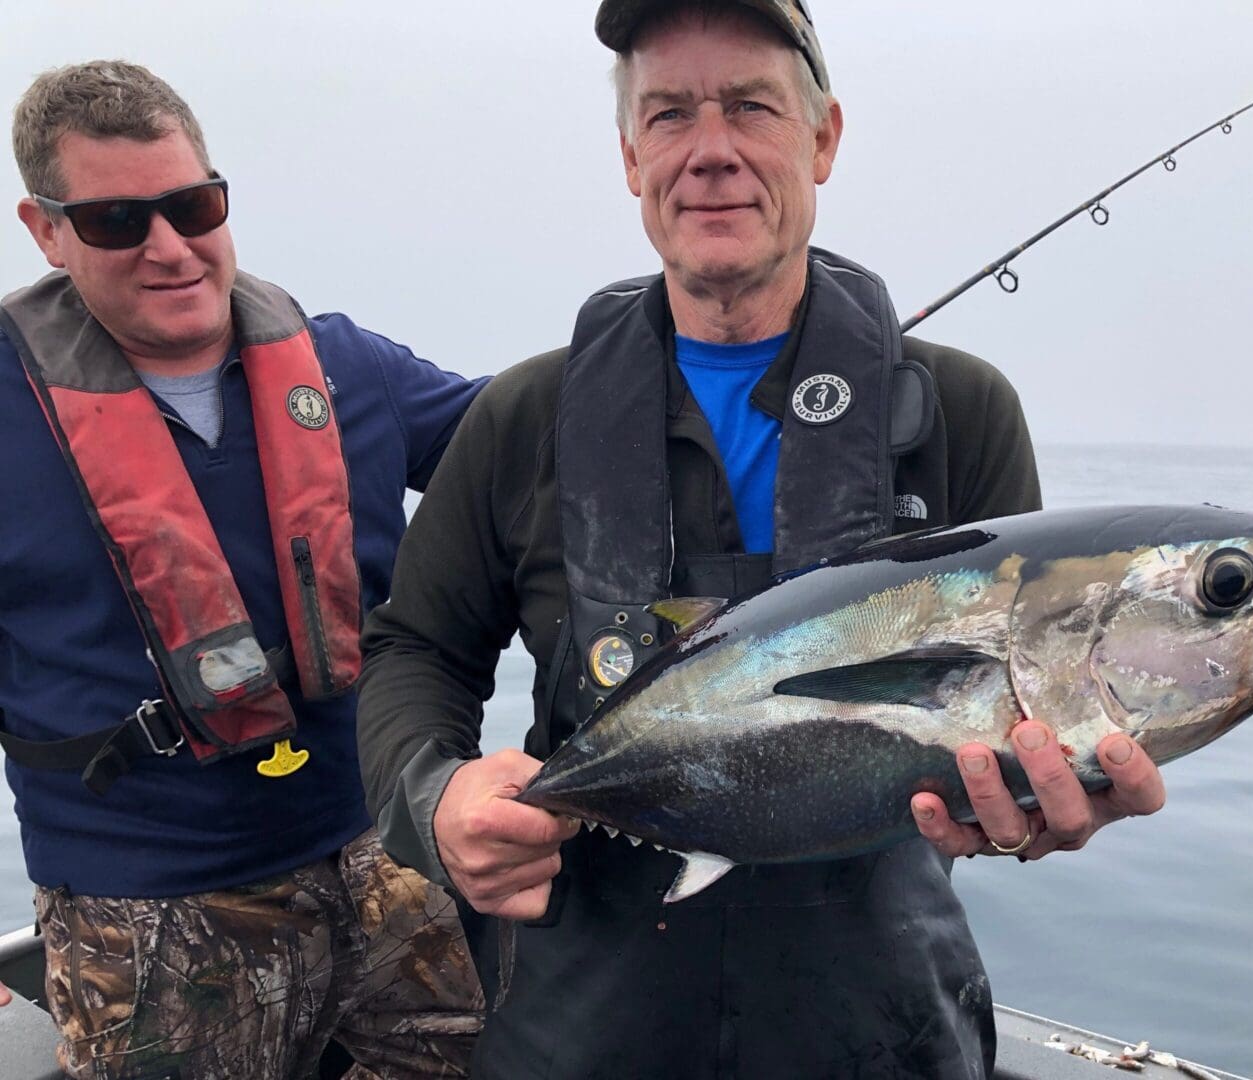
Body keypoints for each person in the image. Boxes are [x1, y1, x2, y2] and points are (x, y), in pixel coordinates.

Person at [357, 3, 1168, 1077]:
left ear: (823, 137)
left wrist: (1042, 803)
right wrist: (437, 796)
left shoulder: (960, 414)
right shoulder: (524, 418)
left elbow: (1018, 714)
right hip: (580, 1017)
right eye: (671, 114)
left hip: (881, 1020)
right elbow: (415, 650)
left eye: (751, 107)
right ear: (630, 156)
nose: (711, 152)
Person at [0, 60, 487, 1077]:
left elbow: (527, 448)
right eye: (116, 222)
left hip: (380, 853)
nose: (170, 248)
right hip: (147, 911)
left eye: (193, 206)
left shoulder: (346, 365)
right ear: (44, 230)